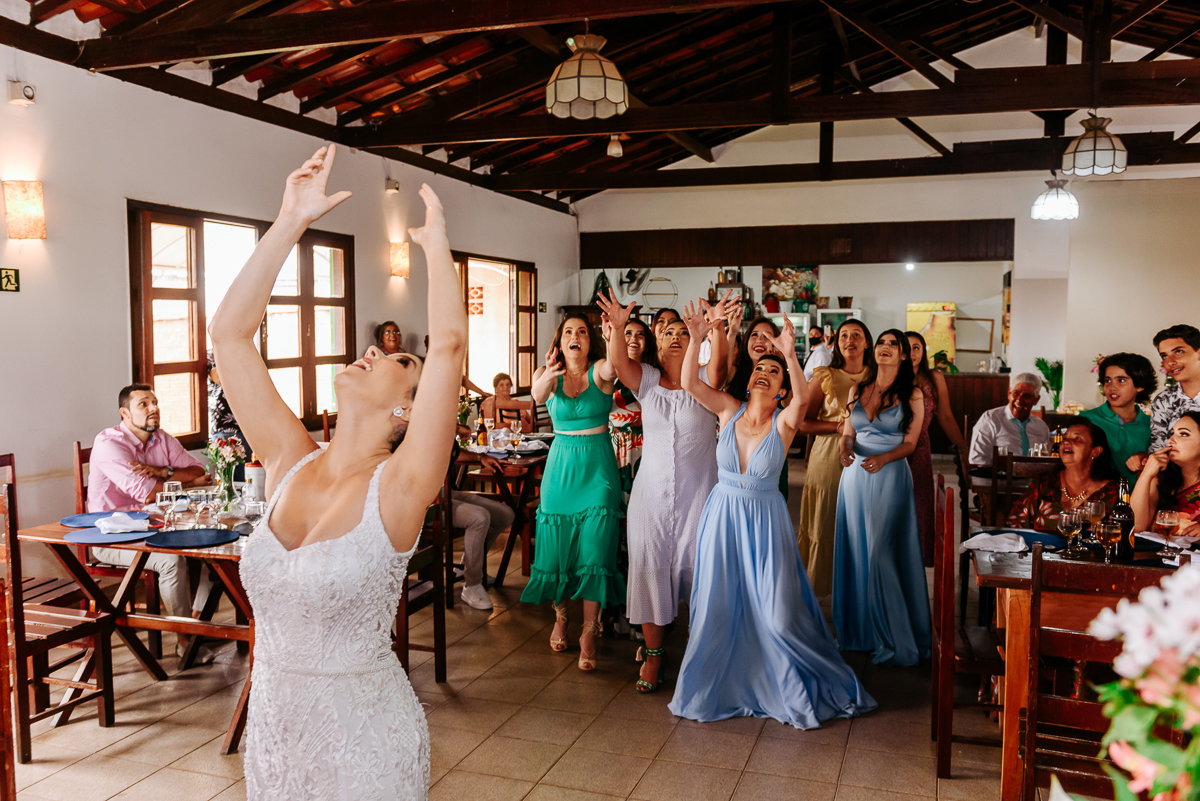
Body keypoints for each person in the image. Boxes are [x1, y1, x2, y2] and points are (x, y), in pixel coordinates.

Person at [211, 145, 466, 799]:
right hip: (275, 738)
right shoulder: (287, 459)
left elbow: (449, 348)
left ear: (409, 409)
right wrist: (289, 221)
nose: (373, 352)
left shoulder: (402, 488)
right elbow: (229, 336)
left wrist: (438, 249)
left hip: (365, 747)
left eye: (399, 361)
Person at [669, 307, 876, 728]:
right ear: (749, 381)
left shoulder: (785, 422)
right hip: (723, 518)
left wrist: (790, 356)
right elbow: (690, 383)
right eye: (759, 369)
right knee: (715, 609)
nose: (764, 373)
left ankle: (787, 680)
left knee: (778, 615)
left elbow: (803, 399)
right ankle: (717, 686)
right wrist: (696, 336)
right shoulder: (728, 410)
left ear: (781, 389)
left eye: (773, 372)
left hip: (764, 523)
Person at [597, 291, 727, 695]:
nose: (674, 336)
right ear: (657, 341)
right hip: (650, 497)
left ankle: (703, 652)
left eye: (682, 332)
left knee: (700, 571)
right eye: (667, 332)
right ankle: (654, 656)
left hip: (698, 495)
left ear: (695, 340)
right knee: (650, 569)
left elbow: (721, 364)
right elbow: (620, 364)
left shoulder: (704, 379)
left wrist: (712, 331)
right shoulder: (647, 380)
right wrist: (618, 328)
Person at [520, 314, 625, 672]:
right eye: (568, 332)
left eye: (581, 331)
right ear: (560, 341)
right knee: (558, 552)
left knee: (596, 552)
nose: (575, 336)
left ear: (589, 340)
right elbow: (537, 395)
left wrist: (614, 334)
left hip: (598, 470)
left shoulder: (599, 371)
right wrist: (547, 375)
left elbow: (614, 366)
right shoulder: (547, 373)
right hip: (561, 470)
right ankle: (561, 616)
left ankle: (589, 630)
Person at [88, 383, 212, 655]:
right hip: (112, 536)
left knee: (215, 549)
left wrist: (163, 471)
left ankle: (196, 623)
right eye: (143, 404)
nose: (153, 408)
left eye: (154, 402)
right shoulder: (109, 443)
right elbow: (147, 493)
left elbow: (199, 469)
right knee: (171, 561)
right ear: (125, 413)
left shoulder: (161, 438)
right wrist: (187, 484)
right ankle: (184, 640)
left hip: (157, 526)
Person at [832, 330, 930, 667]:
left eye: (893, 344)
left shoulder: (912, 394)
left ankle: (893, 636)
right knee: (856, 549)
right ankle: (860, 633)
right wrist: (845, 449)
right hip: (855, 478)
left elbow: (910, 443)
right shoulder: (858, 389)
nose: (885, 347)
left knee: (879, 552)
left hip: (890, 475)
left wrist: (884, 458)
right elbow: (849, 432)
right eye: (881, 343)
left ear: (903, 355)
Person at [796, 319, 875, 596]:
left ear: (867, 342)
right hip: (828, 458)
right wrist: (839, 427)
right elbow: (803, 424)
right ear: (836, 342)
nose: (849, 340)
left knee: (862, 525)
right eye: (844, 336)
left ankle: (858, 593)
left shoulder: (877, 378)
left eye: (856, 335)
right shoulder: (824, 376)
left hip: (868, 458)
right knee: (825, 522)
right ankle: (817, 591)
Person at [906, 331, 967, 566]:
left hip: (920, 450)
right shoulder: (890, 377)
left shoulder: (934, 377)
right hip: (893, 449)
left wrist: (963, 450)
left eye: (916, 348)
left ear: (923, 352)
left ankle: (916, 562)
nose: (911, 353)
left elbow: (946, 416)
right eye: (906, 347)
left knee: (920, 506)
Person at [1007, 421, 1118, 531]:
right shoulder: (1045, 482)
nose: (1066, 442)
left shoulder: (1112, 492)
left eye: (1077, 438)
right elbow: (1014, 525)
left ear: (1095, 451)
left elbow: (1119, 533)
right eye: (1065, 438)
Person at [1079, 352, 1155, 484]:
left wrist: (1146, 458)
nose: (1112, 387)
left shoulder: (1152, 426)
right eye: (1107, 380)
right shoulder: (1086, 420)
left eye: (1121, 380)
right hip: (1095, 495)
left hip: (1138, 495)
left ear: (1140, 385)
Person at [604, 316, 656, 506]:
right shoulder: (607, 371)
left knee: (644, 503)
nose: (634, 338)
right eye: (628, 333)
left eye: (640, 334)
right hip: (614, 444)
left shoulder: (654, 372)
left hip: (647, 444)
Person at [453, 454, 516, 611]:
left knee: (505, 514)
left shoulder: (444, 438)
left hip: (446, 491)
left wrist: (480, 458)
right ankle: (472, 583)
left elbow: (453, 451)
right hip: (426, 500)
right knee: (479, 518)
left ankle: (466, 566)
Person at [1131, 411, 1200, 537]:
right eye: (1172, 433)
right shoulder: (1161, 478)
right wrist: (1146, 474)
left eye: (1183, 434)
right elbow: (1136, 527)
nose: (1170, 440)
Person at [968, 372, 1052, 471]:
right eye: (1016, 393)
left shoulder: (1041, 427)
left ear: (1036, 400)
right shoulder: (991, 419)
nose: (1019, 400)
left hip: (1033, 478)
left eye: (1026, 396)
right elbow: (976, 458)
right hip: (998, 477)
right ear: (1009, 393)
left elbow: (1046, 461)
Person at [1149, 325, 1200, 453]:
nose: (1170, 362)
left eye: (1178, 352)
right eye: (1164, 356)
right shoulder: (1163, 401)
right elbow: (1159, 449)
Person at [208, 350, 252, 481]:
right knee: (231, 480)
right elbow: (219, 377)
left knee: (248, 479)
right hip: (225, 429)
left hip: (247, 427)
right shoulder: (212, 355)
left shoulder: (243, 352)